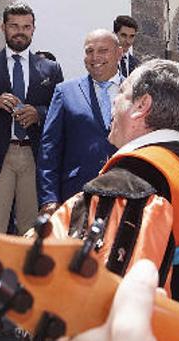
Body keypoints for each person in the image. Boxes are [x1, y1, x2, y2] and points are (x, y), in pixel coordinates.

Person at [42, 59, 179, 320]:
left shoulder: (127, 182)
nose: (113, 102)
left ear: (141, 105)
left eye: (122, 93)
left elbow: (95, 301)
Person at [0, 2, 63, 235]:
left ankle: (25, 273)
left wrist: (39, 113)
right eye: (14, 25)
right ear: (3, 27)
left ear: (33, 29)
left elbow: (60, 110)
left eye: (26, 26)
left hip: (35, 158)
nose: (20, 31)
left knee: (33, 230)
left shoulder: (50, 69)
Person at [37, 30, 120, 208]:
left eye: (103, 50)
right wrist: (48, 198)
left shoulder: (136, 91)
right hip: (76, 194)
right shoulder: (65, 92)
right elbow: (49, 148)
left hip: (125, 192)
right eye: (89, 51)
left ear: (119, 53)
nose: (95, 57)